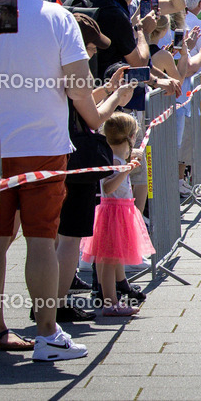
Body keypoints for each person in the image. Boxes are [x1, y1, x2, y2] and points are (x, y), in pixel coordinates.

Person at [0, 0, 111, 360]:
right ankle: (46, 334)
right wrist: (97, 118)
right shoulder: (58, 17)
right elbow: (79, 88)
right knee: (41, 241)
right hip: (42, 146)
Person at [55, 15, 135, 324]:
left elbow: (80, 102)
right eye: (90, 47)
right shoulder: (74, 66)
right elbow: (93, 118)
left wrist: (106, 89)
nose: (91, 53)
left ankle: (50, 304)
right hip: (74, 161)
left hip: (56, 156)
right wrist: (117, 97)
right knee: (68, 239)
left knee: (55, 238)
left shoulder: (53, 63)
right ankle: (56, 306)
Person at [80, 112, 155, 317]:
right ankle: (110, 303)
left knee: (111, 259)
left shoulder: (117, 156)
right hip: (113, 211)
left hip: (118, 210)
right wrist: (126, 169)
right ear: (131, 137)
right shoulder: (115, 160)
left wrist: (129, 162)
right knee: (108, 260)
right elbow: (108, 186)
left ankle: (113, 298)